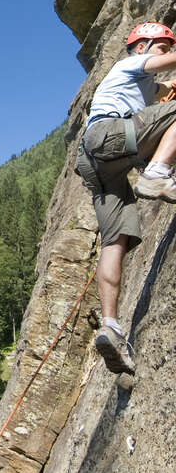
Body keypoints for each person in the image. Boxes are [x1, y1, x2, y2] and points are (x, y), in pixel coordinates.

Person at [75, 21, 176, 375]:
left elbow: (160, 103)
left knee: (115, 241)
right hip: (110, 134)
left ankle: (111, 327)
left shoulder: (141, 88)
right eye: (163, 48)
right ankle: (158, 175)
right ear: (143, 46)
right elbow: (162, 75)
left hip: (94, 162)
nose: (166, 56)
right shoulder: (129, 64)